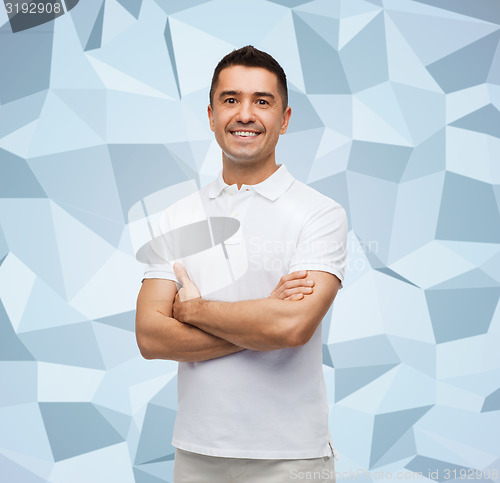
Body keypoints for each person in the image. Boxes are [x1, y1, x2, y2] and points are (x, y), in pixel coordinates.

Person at [135, 45, 348, 482]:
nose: (245, 114)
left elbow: (291, 328)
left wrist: (194, 312)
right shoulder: (177, 217)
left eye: (262, 101)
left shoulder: (320, 214)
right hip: (196, 453)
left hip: (291, 458)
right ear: (211, 115)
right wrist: (261, 319)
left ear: (285, 119)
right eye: (230, 100)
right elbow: (150, 336)